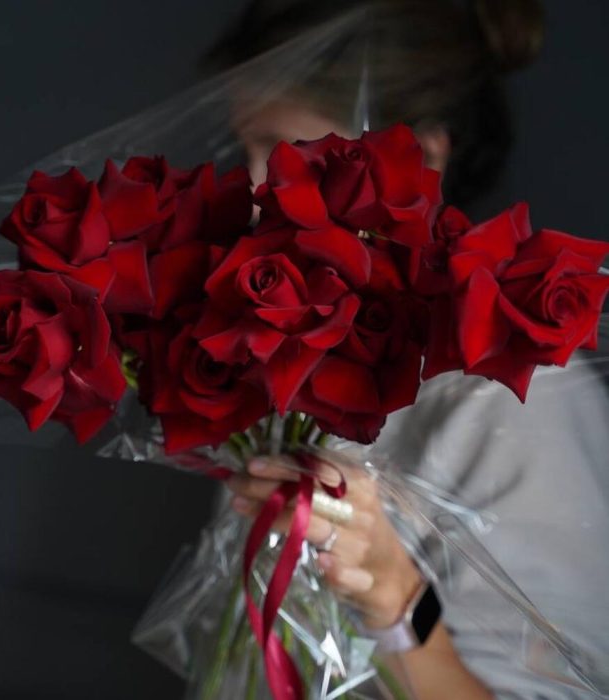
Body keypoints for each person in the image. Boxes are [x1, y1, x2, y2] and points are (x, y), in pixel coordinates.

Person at [215, 1, 609, 698]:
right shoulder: (289, 349)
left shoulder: (511, 393)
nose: (247, 190)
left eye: (276, 153)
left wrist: (394, 595)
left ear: (416, 158)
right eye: (241, 149)